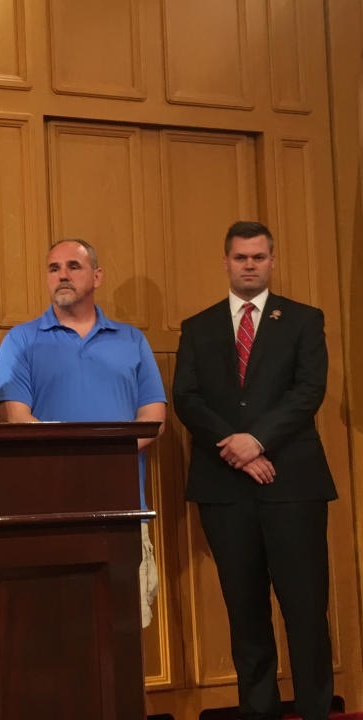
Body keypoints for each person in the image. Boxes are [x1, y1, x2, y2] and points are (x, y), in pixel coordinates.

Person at [173, 221, 335, 720]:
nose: (249, 265)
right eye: (240, 257)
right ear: (225, 261)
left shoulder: (304, 320)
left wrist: (258, 440)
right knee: (245, 612)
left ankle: (314, 710)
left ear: (272, 260)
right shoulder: (197, 327)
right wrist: (237, 448)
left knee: (306, 610)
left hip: (293, 485)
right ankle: (258, 709)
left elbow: (308, 391)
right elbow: (187, 397)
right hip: (226, 489)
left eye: (258, 257)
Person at [0, 238, 167, 628]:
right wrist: (88, 458)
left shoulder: (131, 339)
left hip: (122, 509)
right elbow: (16, 418)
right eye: (54, 268)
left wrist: (99, 459)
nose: (63, 276)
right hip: (47, 511)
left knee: (123, 631)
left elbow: (154, 417)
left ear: (97, 276)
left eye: (74, 266)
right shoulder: (21, 340)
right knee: (53, 629)